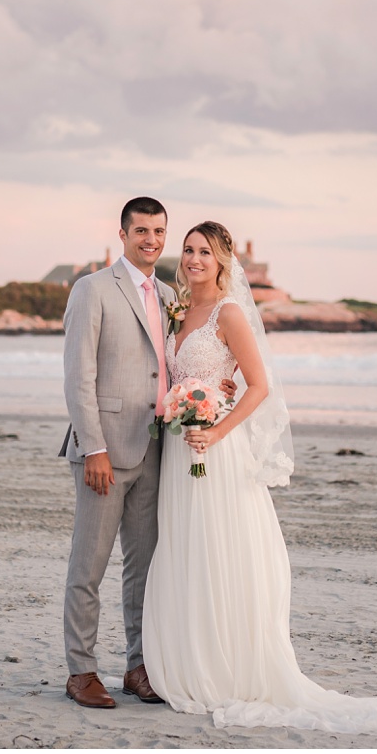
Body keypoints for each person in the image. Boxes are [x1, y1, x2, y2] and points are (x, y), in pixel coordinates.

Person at [140, 221, 377, 740]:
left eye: (206, 252)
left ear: (224, 261)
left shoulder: (229, 312)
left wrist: (216, 430)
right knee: (185, 549)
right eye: (189, 250)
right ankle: (186, 658)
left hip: (215, 451)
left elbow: (259, 386)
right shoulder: (177, 309)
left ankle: (225, 666)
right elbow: (181, 376)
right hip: (181, 449)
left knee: (220, 549)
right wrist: (189, 409)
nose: (194, 259)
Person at [58, 197, 236, 710]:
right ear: (123, 233)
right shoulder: (91, 290)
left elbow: (177, 367)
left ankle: (139, 666)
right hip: (105, 452)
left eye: (159, 232)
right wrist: (93, 447)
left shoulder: (166, 295)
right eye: (141, 231)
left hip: (158, 448)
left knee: (144, 568)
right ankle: (82, 671)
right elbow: (79, 377)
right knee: (88, 566)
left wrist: (217, 388)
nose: (151, 240)